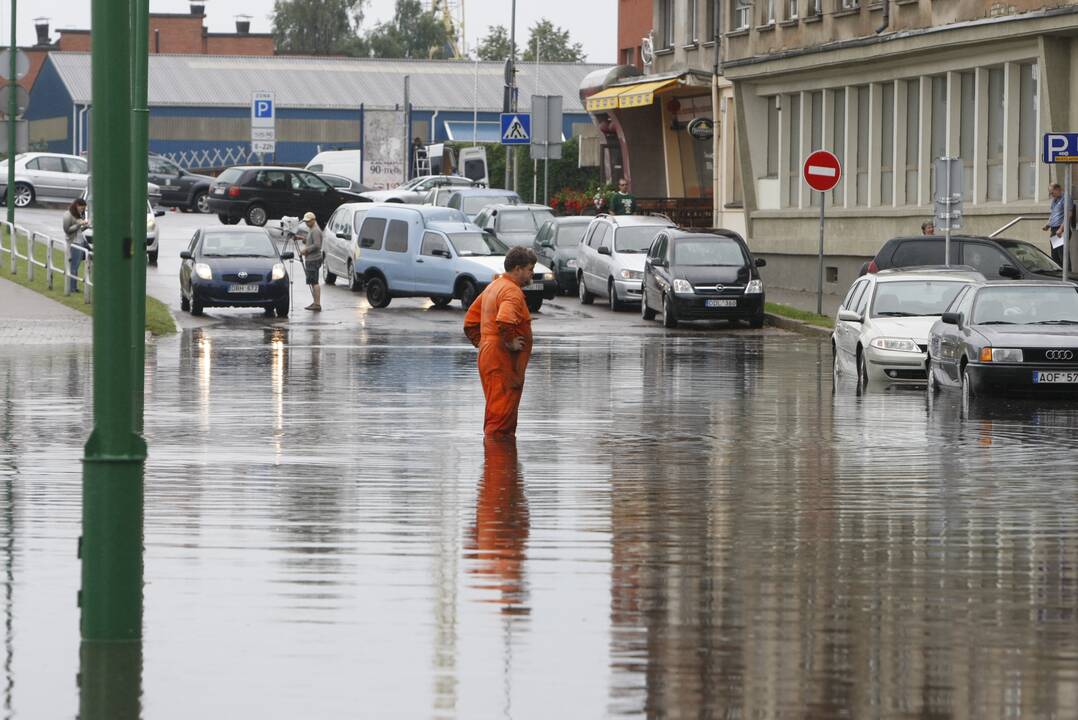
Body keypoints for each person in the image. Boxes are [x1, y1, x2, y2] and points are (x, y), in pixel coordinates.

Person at [463, 246, 536, 436]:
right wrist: (509, 342)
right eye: (530, 269)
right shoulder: (511, 292)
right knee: (500, 419)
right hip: (501, 359)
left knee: (499, 410)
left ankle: (504, 462)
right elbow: (504, 319)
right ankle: (498, 463)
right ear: (518, 269)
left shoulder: (494, 287)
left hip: (490, 355)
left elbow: (470, 322)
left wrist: (484, 343)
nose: (532, 274)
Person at [62, 198, 89, 293]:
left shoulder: (79, 215)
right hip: (74, 243)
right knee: (74, 266)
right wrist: (79, 224)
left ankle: (74, 286)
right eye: (81, 209)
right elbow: (67, 230)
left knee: (77, 265)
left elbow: (79, 231)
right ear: (77, 205)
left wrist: (85, 226)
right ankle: (72, 288)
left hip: (81, 241)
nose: (82, 211)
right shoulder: (67, 215)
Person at [299, 211, 323, 311]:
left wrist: (306, 250)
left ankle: (317, 304)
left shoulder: (315, 230)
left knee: (314, 282)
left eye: (308, 221)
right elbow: (311, 241)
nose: (306, 223)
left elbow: (317, 245)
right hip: (311, 259)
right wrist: (302, 239)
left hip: (313, 259)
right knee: (313, 282)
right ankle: (315, 303)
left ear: (313, 220)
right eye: (305, 221)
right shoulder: (311, 229)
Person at [1045, 183, 1065, 265]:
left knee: (1062, 254)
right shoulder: (1054, 200)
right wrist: (1048, 224)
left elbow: (1068, 215)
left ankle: (1067, 275)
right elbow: (1053, 214)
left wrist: (1060, 229)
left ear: (1057, 189)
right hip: (1054, 229)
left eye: (1052, 193)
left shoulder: (1065, 198)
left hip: (1060, 229)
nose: (1051, 195)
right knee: (1055, 255)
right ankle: (1058, 275)